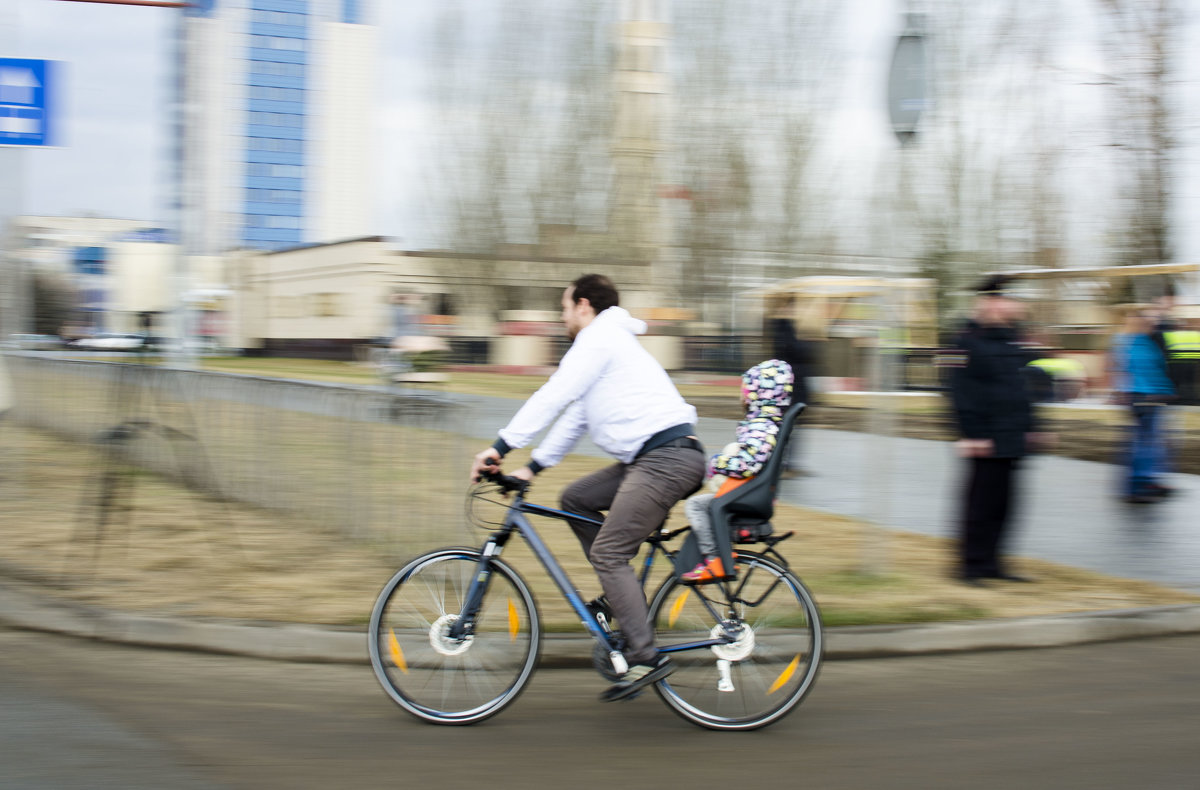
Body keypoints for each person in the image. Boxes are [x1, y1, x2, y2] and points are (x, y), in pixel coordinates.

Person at [469, 274, 705, 702]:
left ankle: (645, 656)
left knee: (609, 552)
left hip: (665, 460)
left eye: (563, 308)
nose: (562, 318)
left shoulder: (599, 338)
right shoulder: (607, 343)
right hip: (652, 458)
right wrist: (532, 467)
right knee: (576, 499)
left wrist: (500, 446)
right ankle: (620, 597)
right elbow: (575, 415)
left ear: (583, 306)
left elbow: (554, 394)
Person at [947, 275, 1046, 585]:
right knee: (980, 504)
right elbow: (956, 390)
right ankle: (970, 566)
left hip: (1012, 435)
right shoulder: (962, 340)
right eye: (1010, 299)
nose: (1017, 306)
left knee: (1005, 505)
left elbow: (1023, 388)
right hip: (984, 438)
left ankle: (993, 563)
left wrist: (1034, 428)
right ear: (991, 301)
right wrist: (970, 433)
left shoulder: (1013, 340)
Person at [681, 359, 793, 582]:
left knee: (696, 505)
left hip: (746, 493)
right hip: (751, 492)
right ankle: (717, 556)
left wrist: (717, 463)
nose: (741, 396)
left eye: (745, 391)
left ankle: (715, 559)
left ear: (758, 394)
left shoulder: (761, 427)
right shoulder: (768, 423)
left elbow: (747, 463)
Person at [1111, 304, 1175, 503]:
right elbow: (1148, 371)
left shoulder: (1133, 341)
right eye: (1147, 322)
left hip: (1143, 397)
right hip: (1144, 398)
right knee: (1144, 443)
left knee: (1144, 442)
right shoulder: (1137, 343)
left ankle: (1142, 482)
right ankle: (1137, 486)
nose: (1151, 325)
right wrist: (1165, 391)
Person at [769, 295, 814, 477]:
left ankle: (787, 463)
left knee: (793, 424)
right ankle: (782, 464)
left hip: (795, 383)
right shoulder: (782, 328)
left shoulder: (788, 328)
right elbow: (794, 351)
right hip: (791, 384)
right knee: (789, 424)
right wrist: (808, 346)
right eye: (792, 307)